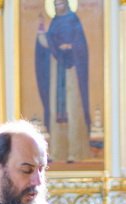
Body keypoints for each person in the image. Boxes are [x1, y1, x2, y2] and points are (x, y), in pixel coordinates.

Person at [38, 0, 91, 163]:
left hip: (72, 69)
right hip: (57, 67)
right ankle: (57, 152)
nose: (57, 6)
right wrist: (41, 34)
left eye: (60, 3)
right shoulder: (54, 22)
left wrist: (71, 47)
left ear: (67, 4)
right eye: (55, 4)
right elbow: (49, 43)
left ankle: (75, 152)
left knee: (73, 108)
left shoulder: (74, 20)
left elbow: (81, 43)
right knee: (56, 110)